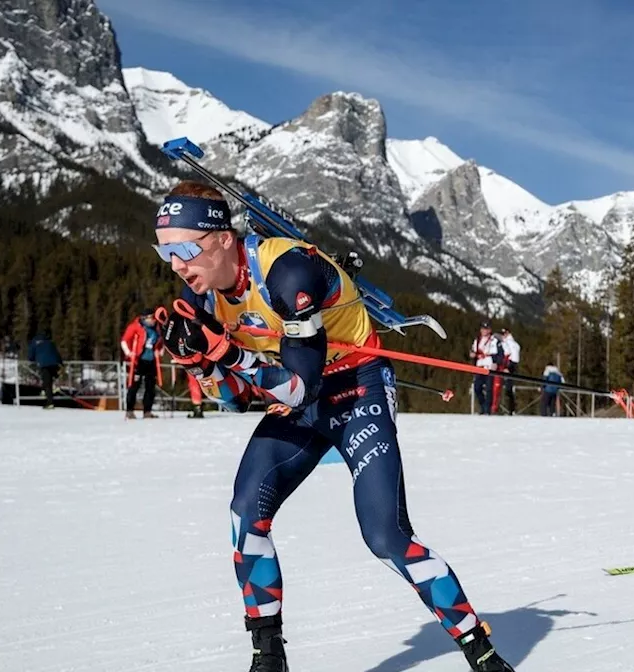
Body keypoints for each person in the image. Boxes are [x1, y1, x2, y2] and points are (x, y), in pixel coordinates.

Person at [150, 181, 515, 672]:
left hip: (354, 388)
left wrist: (229, 354)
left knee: (385, 535)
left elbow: (301, 387)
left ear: (221, 239)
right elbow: (234, 401)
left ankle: (481, 651)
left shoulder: (288, 270)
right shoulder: (200, 296)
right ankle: (268, 658)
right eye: (164, 250)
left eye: (183, 248)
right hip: (298, 397)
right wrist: (201, 365)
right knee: (245, 515)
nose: (175, 263)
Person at [121, 309, 164, 419]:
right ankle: (129, 410)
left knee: (150, 387)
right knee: (134, 385)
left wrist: (160, 350)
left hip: (151, 360)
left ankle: (147, 411)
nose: (153, 320)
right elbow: (124, 340)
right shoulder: (136, 326)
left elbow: (161, 341)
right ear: (144, 318)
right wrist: (129, 353)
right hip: (139, 360)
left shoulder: (156, 328)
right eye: (151, 317)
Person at [469, 322, 501, 415]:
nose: (484, 331)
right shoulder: (478, 340)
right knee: (477, 387)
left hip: (489, 365)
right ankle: (483, 406)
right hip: (479, 365)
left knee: (489, 389)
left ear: (490, 330)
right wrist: (472, 355)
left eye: (486, 329)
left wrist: (496, 363)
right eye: (483, 329)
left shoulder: (494, 340)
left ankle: (488, 409)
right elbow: (473, 350)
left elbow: (499, 353)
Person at [27, 331, 63, 409]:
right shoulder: (49, 342)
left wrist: (32, 359)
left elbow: (30, 355)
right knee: (50, 380)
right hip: (54, 363)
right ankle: (53, 387)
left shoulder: (34, 342)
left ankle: (49, 402)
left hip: (44, 364)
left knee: (47, 383)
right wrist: (61, 363)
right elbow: (57, 353)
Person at [497, 328, 521, 414]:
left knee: (508, 388)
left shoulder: (510, 343)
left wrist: (508, 367)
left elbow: (512, 357)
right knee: (506, 388)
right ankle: (509, 408)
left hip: (509, 366)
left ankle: (511, 409)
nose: (503, 335)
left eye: (505, 333)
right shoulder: (509, 342)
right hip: (507, 365)